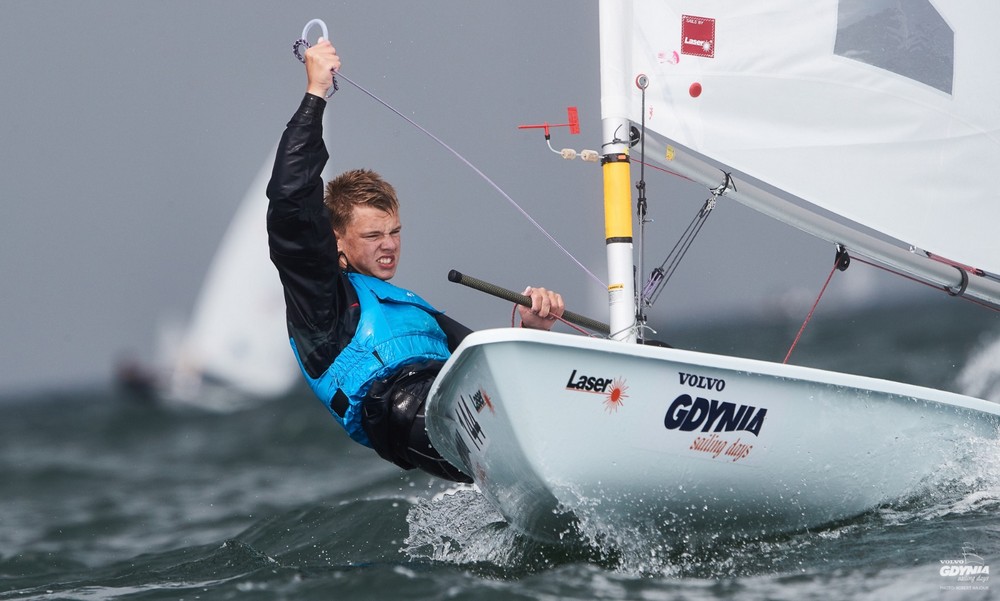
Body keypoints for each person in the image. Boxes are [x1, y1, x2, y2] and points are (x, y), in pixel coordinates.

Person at [266, 38, 565, 482]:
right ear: (337, 241)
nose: (389, 245)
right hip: (403, 411)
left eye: (395, 232)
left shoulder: (413, 308)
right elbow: (290, 201)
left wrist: (531, 330)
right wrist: (315, 94)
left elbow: (492, 369)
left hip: (457, 399)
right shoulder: (321, 301)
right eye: (373, 236)